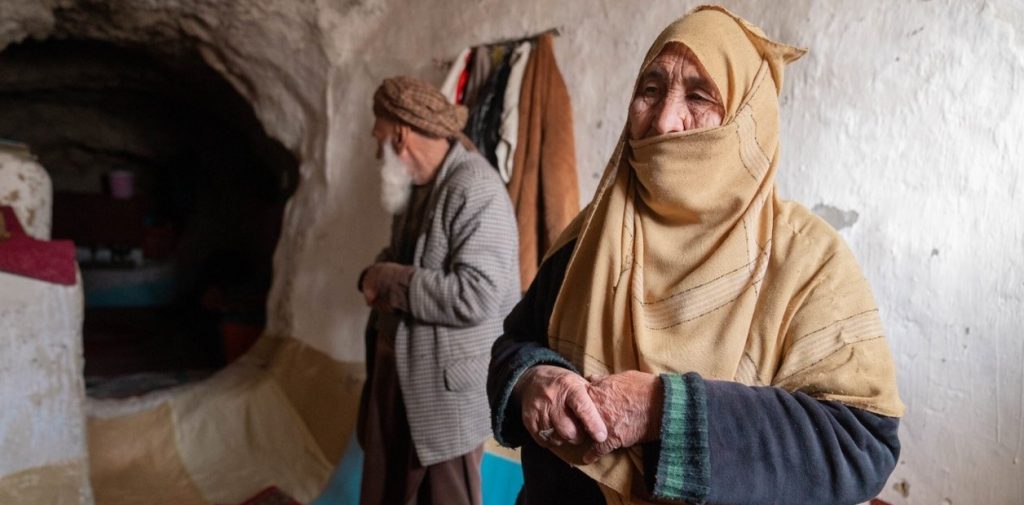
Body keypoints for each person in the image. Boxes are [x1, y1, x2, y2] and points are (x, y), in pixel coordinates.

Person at [487, 6, 904, 505]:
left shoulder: (808, 264)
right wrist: (533, 378)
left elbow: (860, 442)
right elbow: (515, 343)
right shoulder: (589, 238)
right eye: (651, 90)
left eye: (700, 96)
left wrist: (664, 410)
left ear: (748, 121)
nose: (664, 120)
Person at [357, 76, 519, 505]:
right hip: (396, 379)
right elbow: (401, 256)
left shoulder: (475, 188)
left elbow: (476, 295)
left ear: (401, 133)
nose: (377, 152)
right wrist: (378, 271)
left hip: (443, 398)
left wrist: (385, 279)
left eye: (380, 138)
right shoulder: (417, 188)